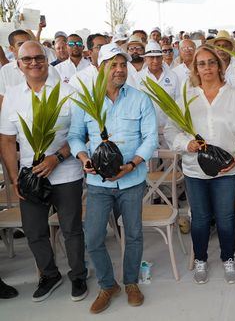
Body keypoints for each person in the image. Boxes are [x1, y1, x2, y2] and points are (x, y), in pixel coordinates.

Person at [67, 43, 158, 314]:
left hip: (132, 179)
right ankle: (108, 285)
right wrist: (84, 159)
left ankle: (131, 282)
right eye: (113, 64)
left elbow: (150, 137)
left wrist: (132, 164)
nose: (119, 70)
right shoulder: (86, 102)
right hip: (98, 184)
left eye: (123, 64)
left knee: (133, 234)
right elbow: (74, 137)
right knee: (93, 237)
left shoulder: (140, 99)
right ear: (100, 67)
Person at [0, 41, 87, 302]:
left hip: (66, 172)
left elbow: (81, 133)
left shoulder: (68, 92)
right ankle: (49, 274)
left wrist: (56, 158)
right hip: (30, 176)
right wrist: (14, 178)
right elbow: (6, 139)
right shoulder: (13, 95)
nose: (34, 63)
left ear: (47, 61)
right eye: (27, 59)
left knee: (71, 228)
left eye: (39, 58)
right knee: (34, 229)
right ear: (19, 65)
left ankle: (78, 274)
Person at [164, 45, 235, 285]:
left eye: (211, 62)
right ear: (195, 68)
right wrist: (187, 144)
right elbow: (171, 129)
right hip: (195, 169)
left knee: (226, 217)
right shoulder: (187, 97)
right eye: (201, 63)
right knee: (201, 217)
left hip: (228, 169)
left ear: (219, 65)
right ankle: (201, 260)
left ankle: (228, 258)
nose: (207, 68)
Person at [134, 41, 181, 148]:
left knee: (170, 161)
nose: (155, 61)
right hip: (146, 129)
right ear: (145, 59)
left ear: (162, 58)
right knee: (150, 161)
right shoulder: (138, 77)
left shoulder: (173, 76)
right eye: (151, 57)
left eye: (158, 57)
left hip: (169, 128)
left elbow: (178, 101)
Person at [0, 30, 60, 107]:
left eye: (29, 43)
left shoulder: (50, 70)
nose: (26, 47)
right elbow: (2, 99)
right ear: (11, 49)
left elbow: (58, 96)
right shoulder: (6, 70)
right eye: (20, 44)